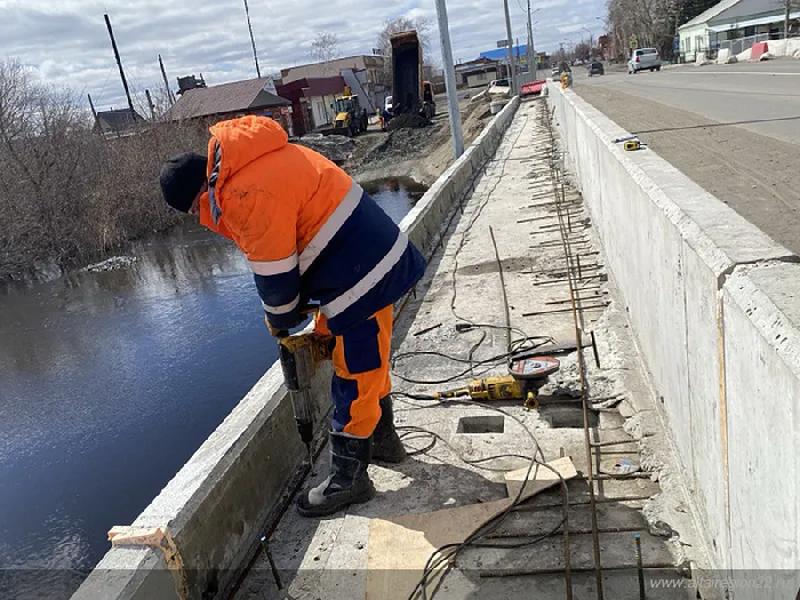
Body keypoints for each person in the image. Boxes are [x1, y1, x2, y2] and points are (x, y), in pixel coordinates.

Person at [159, 115, 426, 517]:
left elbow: (276, 277)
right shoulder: (254, 162)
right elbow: (297, 243)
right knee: (369, 363)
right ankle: (384, 442)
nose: (202, 216)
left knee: (356, 370)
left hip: (361, 274)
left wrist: (280, 320)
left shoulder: (242, 193)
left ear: (197, 197)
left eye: (195, 210)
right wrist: (302, 314)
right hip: (362, 263)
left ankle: (349, 479)